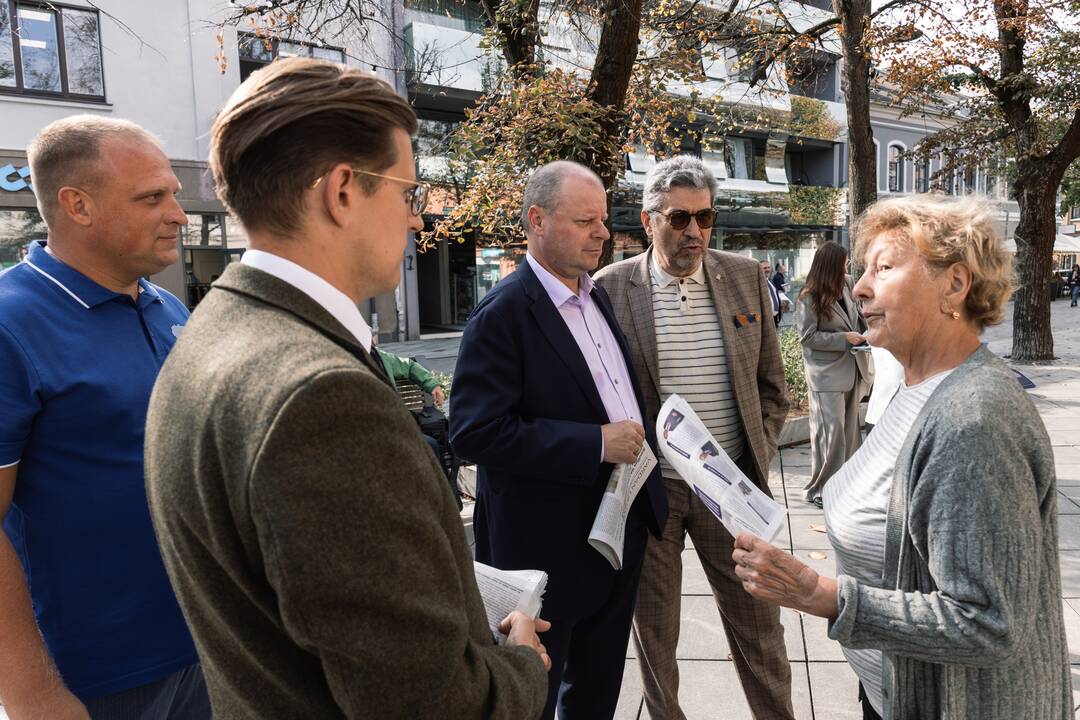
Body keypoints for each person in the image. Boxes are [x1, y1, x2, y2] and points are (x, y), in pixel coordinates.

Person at [144, 58, 549, 719]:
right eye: (407, 194)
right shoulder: (322, 401)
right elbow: (437, 707)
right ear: (340, 191)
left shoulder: (209, 327)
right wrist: (522, 665)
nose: (417, 222)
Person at [733, 194, 1071, 720]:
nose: (860, 286)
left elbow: (987, 620)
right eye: (863, 269)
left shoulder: (973, 420)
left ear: (954, 285)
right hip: (894, 690)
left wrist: (823, 595)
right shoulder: (916, 390)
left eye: (884, 268)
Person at [0, 116, 209, 718]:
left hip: (203, 645)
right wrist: (33, 691)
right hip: (94, 676)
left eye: (174, 192)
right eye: (152, 197)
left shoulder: (165, 305)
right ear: (78, 205)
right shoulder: (11, 325)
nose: (178, 213)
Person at [449, 160, 668, 720]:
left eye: (603, 219)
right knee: (537, 699)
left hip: (617, 534)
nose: (602, 232)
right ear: (537, 221)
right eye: (585, 221)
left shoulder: (595, 296)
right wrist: (594, 443)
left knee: (598, 691)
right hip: (547, 549)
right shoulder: (502, 314)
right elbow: (475, 433)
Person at [594, 156, 793, 720]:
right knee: (655, 636)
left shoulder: (745, 277)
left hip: (728, 489)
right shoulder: (610, 290)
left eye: (705, 218)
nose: (695, 232)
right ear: (648, 218)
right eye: (679, 219)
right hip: (651, 490)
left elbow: (772, 386)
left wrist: (755, 456)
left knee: (760, 629)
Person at [796, 241, 873, 506]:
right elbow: (807, 337)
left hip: (853, 367)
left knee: (851, 432)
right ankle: (820, 489)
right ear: (831, 265)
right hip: (825, 375)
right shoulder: (809, 296)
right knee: (831, 432)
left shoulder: (848, 283)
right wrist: (844, 338)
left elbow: (859, 315)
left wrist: (867, 333)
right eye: (843, 262)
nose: (846, 266)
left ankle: (845, 485)